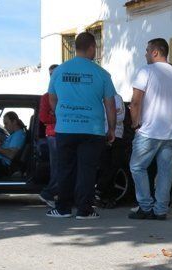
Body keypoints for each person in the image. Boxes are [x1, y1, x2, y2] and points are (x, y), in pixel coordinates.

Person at [46, 32, 117, 220]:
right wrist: (111, 129)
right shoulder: (102, 74)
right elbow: (110, 104)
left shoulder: (59, 71)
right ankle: (84, 211)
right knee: (87, 170)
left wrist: (62, 113)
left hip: (65, 128)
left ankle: (63, 209)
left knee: (65, 169)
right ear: (92, 47)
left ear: (76, 47)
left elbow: (52, 98)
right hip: (92, 130)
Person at [127, 38, 172, 221]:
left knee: (137, 166)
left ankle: (145, 206)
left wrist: (135, 123)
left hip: (149, 131)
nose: (145, 54)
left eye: (147, 50)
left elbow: (135, 101)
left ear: (155, 52)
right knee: (165, 172)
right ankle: (160, 210)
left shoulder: (146, 71)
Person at [96, 93, 127, 207]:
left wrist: (108, 115)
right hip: (101, 133)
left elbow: (120, 116)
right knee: (105, 165)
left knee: (115, 165)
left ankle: (100, 190)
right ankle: (106, 196)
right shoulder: (98, 96)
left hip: (117, 134)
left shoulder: (118, 97)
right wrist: (110, 114)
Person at [38, 64, 59, 209]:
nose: (53, 77)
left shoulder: (63, 94)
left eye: (55, 74)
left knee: (63, 166)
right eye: (51, 74)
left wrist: (56, 115)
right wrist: (59, 117)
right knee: (58, 167)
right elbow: (44, 118)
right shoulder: (46, 97)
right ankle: (49, 192)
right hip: (53, 136)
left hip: (62, 135)